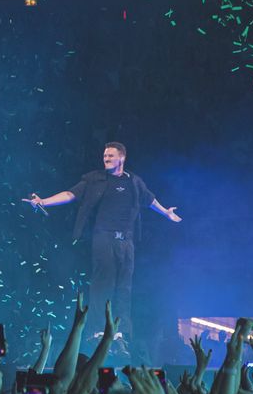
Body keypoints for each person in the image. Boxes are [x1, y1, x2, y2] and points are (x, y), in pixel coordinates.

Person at [26, 141, 182, 355]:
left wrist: (166, 212)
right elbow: (70, 194)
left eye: (110, 156)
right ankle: (98, 330)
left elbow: (150, 199)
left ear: (122, 158)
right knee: (103, 282)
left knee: (124, 286)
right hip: (103, 238)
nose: (106, 159)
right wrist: (44, 201)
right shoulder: (95, 179)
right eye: (104, 156)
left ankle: (120, 332)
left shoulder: (134, 181)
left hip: (127, 241)